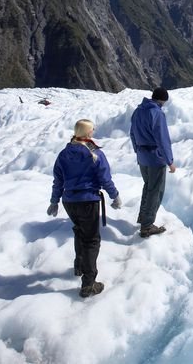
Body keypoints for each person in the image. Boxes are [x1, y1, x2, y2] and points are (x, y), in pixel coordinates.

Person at [48, 119, 121, 298]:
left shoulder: (64, 154)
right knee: (91, 240)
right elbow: (105, 178)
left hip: (69, 201)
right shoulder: (94, 153)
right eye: (92, 129)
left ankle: (79, 266)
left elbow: (58, 180)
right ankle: (88, 284)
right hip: (88, 200)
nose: (94, 131)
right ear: (88, 133)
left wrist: (54, 201)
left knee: (79, 232)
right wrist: (115, 195)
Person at [130, 87, 177, 238]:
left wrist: (137, 150)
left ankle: (143, 217)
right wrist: (169, 161)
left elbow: (132, 133)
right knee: (156, 190)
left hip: (142, 156)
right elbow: (162, 139)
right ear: (162, 100)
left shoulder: (138, 111)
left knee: (148, 186)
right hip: (155, 157)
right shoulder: (157, 113)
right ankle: (147, 226)